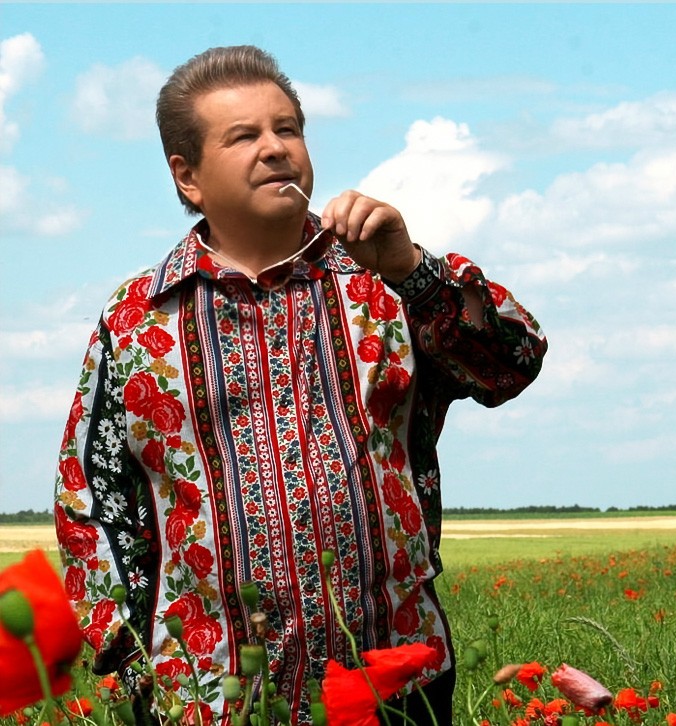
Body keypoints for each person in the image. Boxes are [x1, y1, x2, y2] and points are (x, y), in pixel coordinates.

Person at [53, 45, 547, 724]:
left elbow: (511, 364)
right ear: (187, 176)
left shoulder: (386, 280)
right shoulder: (136, 319)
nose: (275, 149)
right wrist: (128, 644)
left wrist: (412, 269)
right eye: (244, 136)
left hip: (392, 680)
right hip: (205, 697)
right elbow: (91, 486)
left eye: (287, 129)